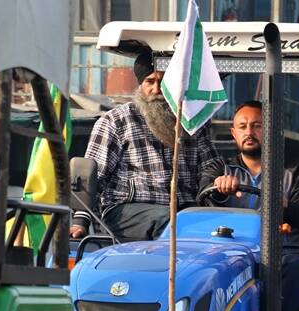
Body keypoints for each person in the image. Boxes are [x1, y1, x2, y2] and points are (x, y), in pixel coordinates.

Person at [198, 101, 299, 311]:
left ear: (271, 131)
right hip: (231, 251)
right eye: (243, 126)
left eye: (257, 126)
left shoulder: (295, 171)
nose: (249, 132)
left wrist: (285, 206)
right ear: (234, 133)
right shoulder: (220, 168)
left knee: (296, 266)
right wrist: (219, 191)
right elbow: (202, 201)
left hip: (279, 250)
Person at [79, 51, 218, 241]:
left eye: (163, 82)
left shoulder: (192, 120)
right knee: (170, 221)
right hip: (129, 209)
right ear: (140, 84)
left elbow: (210, 166)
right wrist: (80, 220)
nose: (156, 89)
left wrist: (213, 182)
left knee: (224, 228)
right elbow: (94, 177)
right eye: (150, 81)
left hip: (185, 211)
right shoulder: (116, 120)